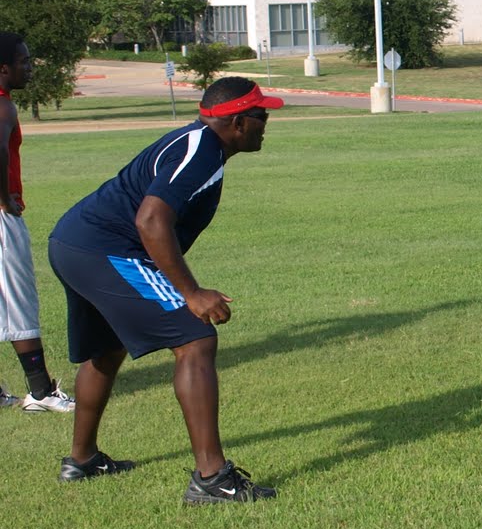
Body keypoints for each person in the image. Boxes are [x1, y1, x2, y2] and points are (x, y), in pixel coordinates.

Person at [47, 76, 283, 502]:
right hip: (104, 249)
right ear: (237, 123)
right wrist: (192, 293)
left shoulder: (199, 144)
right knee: (196, 339)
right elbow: (151, 220)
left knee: (106, 350)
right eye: (261, 116)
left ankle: (82, 461)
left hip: (73, 243)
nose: (266, 123)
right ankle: (212, 479)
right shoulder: (202, 151)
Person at [0, 33, 75, 412]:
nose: (30, 68)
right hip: (0, 219)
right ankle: (41, 392)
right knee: (19, 301)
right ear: (4, 68)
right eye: (24, 62)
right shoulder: (3, 106)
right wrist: (4, 198)